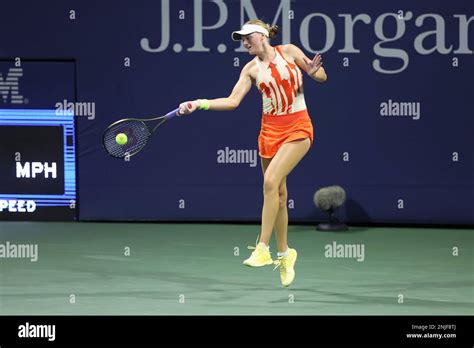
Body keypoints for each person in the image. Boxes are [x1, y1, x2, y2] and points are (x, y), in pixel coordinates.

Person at [178, 19, 327, 287]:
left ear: (261, 35)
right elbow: (232, 101)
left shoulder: (290, 52)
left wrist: (314, 73)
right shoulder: (250, 69)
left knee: (269, 182)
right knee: (279, 194)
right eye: (241, 39)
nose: (245, 42)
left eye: (248, 37)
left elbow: (322, 76)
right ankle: (285, 254)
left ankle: (262, 247)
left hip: (298, 127)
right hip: (269, 133)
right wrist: (199, 103)